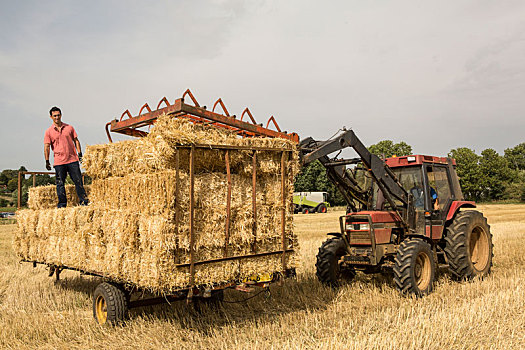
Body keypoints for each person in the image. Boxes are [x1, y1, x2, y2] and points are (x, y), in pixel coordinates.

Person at [44, 106, 88, 208]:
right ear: (51, 117)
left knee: (78, 181)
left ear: (61, 115)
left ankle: (84, 202)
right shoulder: (48, 132)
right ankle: (62, 205)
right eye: (54, 116)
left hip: (72, 159)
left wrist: (80, 154)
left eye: (58, 115)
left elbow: (76, 141)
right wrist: (47, 160)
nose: (57, 117)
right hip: (59, 162)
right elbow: (46, 146)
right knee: (60, 184)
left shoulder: (69, 128)